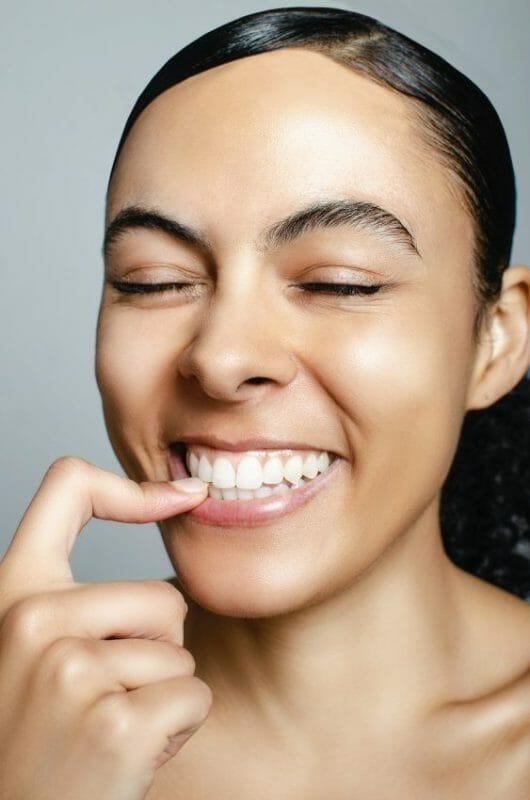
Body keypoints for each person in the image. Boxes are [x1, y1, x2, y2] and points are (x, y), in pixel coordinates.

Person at [1, 7, 529, 799]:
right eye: (154, 281)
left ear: (497, 340)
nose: (219, 359)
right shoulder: (22, 730)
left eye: (338, 283)